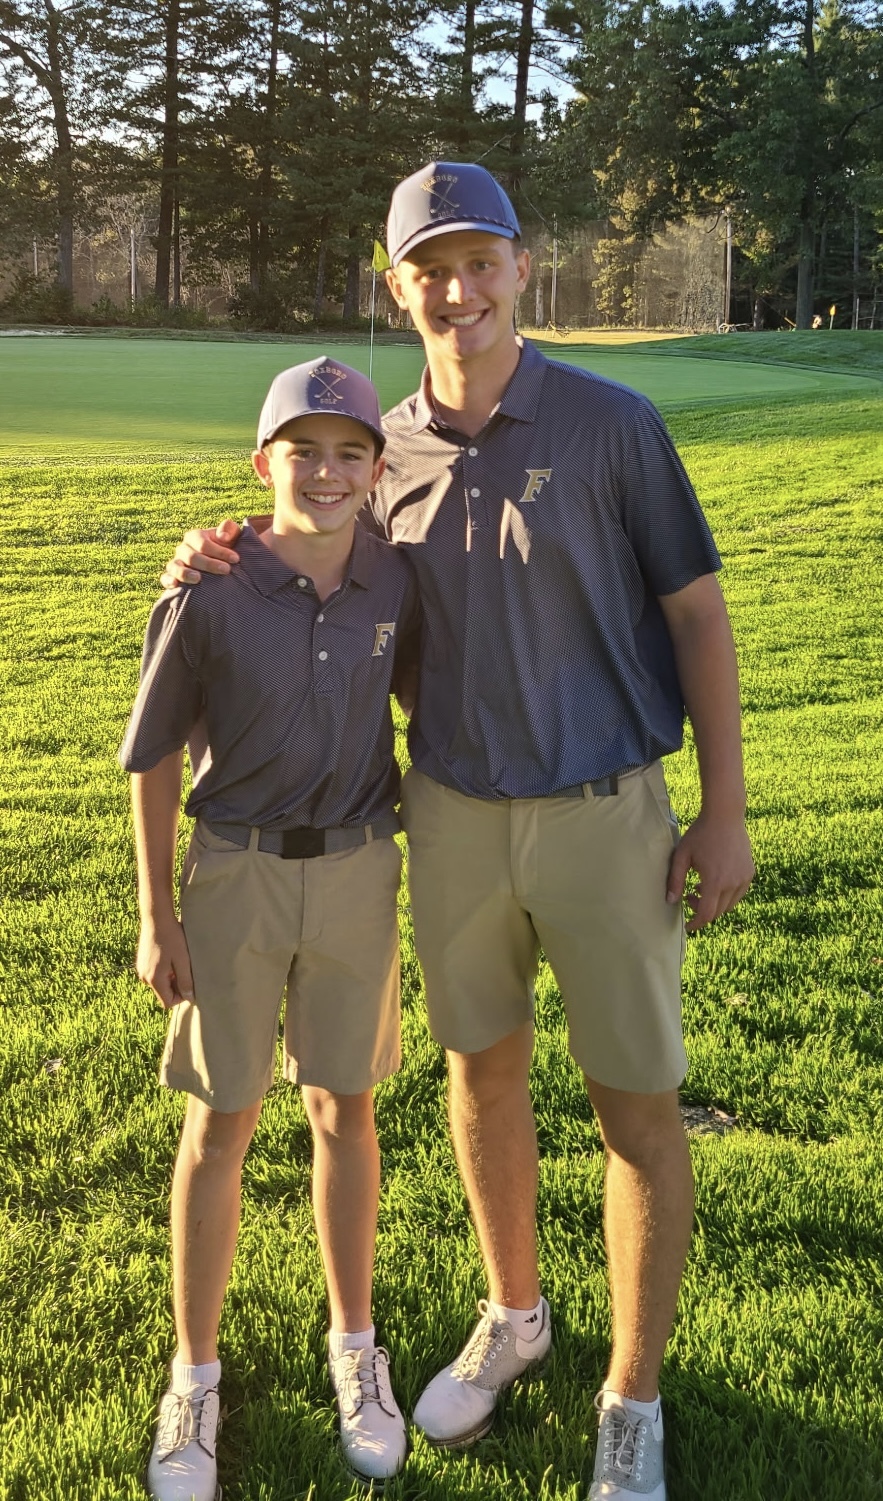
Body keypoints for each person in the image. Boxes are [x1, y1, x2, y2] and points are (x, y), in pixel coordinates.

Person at [163, 164, 755, 1500]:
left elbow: (697, 618)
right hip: (444, 814)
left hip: (606, 814)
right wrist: (209, 559)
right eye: (430, 266)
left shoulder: (612, 425)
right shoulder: (382, 456)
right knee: (478, 1074)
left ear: (519, 268)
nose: (458, 288)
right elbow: (311, 563)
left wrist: (721, 810)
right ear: (397, 287)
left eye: (479, 259)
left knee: (633, 1110)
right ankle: (515, 1312)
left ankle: (629, 1400)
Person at [121, 357, 421, 1499]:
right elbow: (151, 761)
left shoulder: (399, 581)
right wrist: (158, 914)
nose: (329, 471)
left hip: (356, 873)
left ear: (377, 471)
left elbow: (439, 696)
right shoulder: (207, 586)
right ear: (264, 464)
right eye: (305, 449)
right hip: (233, 875)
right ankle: (193, 1373)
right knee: (222, 1119)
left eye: (352, 452)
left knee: (345, 1107)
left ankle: (357, 1344)